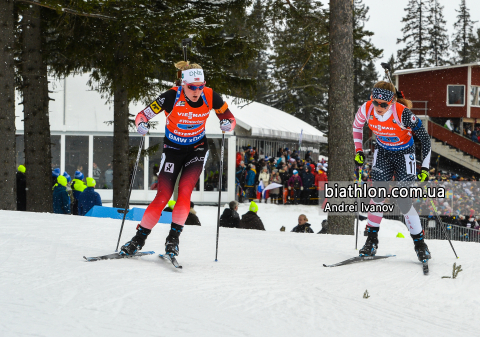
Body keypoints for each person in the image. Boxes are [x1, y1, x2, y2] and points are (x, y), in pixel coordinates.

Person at [120, 60, 236, 257]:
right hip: (173, 150)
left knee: (184, 193)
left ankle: (173, 239)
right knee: (163, 196)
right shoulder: (171, 96)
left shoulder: (210, 95)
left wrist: (227, 124)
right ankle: (138, 239)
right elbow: (142, 115)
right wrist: (141, 125)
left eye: (201, 86)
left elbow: (230, 119)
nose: (197, 91)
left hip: (196, 150)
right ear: (183, 84)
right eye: (192, 87)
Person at [353, 81, 432, 262]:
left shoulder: (402, 113)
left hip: (405, 155)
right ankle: (371, 241)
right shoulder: (366, 109)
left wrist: (426, 169)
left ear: (391, 102)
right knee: (378, 196)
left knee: (403, 200)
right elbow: (356, 127)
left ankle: (420, 245)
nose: (379, 107)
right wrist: (358, 150)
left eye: (384, 104)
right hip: (383, 153)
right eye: (376, 102)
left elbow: (425, 140)